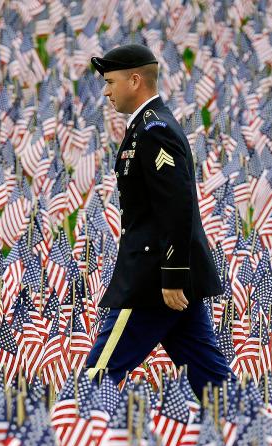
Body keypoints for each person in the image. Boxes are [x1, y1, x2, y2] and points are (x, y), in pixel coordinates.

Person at [84, 43, 234, 399]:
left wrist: (172, 277)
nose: (105, 91)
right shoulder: (147, 127)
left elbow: (176, 206)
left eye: (110, 82)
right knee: (215, 387)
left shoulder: (155, 130)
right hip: (164, 279)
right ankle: (256, 438)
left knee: (95, 377)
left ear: (135, 80)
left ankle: (65, 438)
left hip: (154, 282)